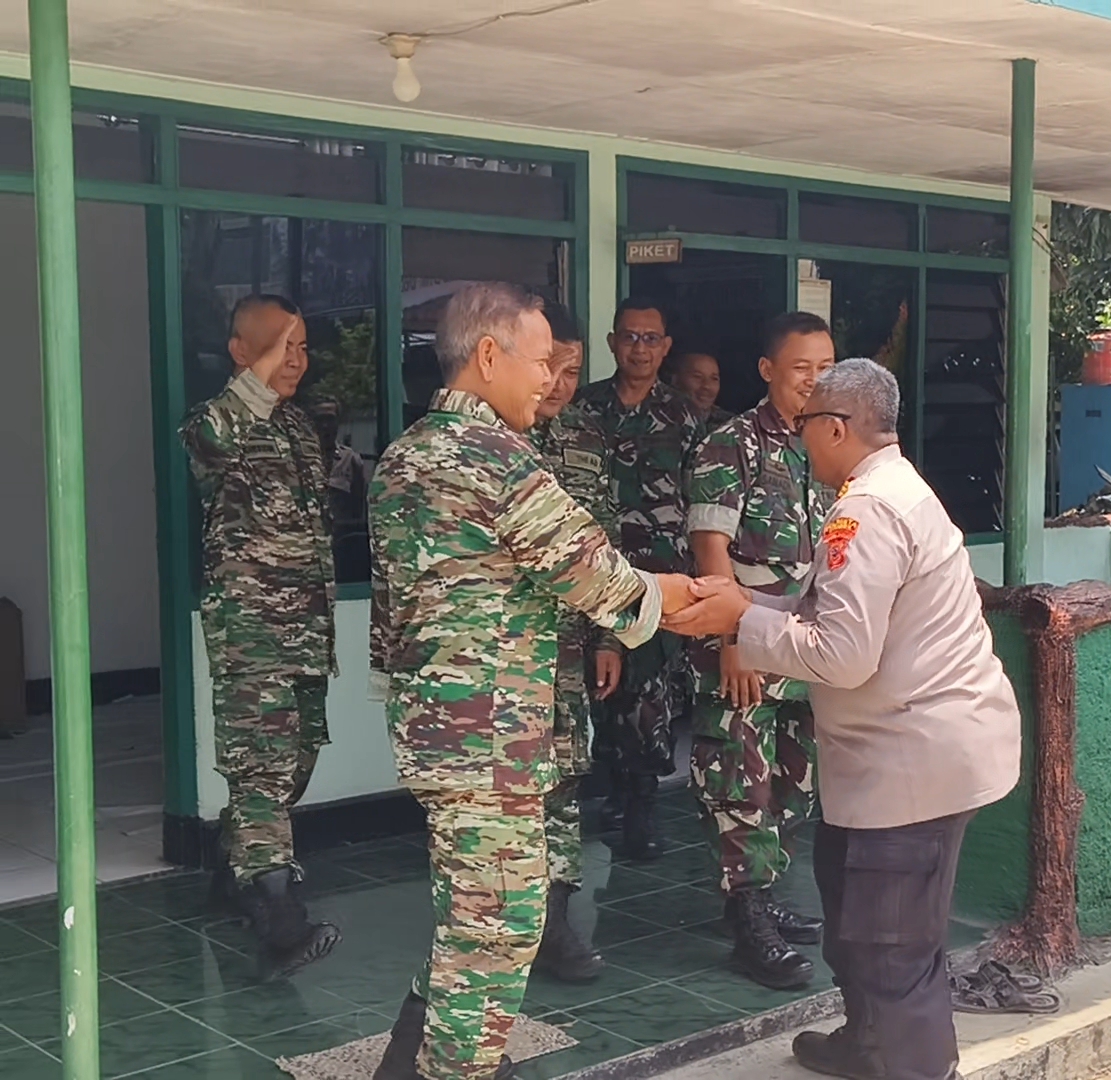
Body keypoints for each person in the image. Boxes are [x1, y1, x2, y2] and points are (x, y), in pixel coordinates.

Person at [367, 282, 734, 1080]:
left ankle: (411, 1058)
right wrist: (694, 598)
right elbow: (597, 577)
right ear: (487, 355)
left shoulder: (405, 455)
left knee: (470, 911)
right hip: (490, 734)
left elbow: (391, 615)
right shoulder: (496, 459)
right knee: (498, 926)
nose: (549, 379)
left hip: (438, 728)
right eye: (539, 362)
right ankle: (456, 1068)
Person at [677, 358, 1021, 1080]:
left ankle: (914, 1063)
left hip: (912, 761)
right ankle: (868, 1045)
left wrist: (742, 621)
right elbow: (825, 611)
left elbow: (842, 654)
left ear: (835, 428)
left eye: (806, 425)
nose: (798, 438)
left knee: (891, 949)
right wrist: (742, 605)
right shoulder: (894, 490)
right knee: (856, 916)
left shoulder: (865, 511)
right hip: (903, 754)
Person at [180, 294, 341, 980]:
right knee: (262, 771)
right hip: (251, 634)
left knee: (293, 764)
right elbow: (209, 443)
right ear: (241, 352)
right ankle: (279, 919)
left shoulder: (300, 428)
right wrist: (260, 378)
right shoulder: (215, 422)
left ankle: (233, 869)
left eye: (301, 347)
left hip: (306, 630)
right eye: (280, 347)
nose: (294, 361)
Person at [686, 312, 836, 990]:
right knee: (738, 780)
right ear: (769, 370)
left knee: (793, 782)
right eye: (802, 367)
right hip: (746, 648)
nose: (814, 380)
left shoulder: (830, 445)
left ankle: (765, 896)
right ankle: (747, 918)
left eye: (826, 368)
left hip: (805, 652)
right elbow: (709, 547)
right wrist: (732, 641)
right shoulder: (733, 444)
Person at [575, 297, 707, 859]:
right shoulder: (582, 409)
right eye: (630, 337)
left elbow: (701, 501)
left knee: (650, 696)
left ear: (665, 346)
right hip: (593, 576)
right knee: (600, 691)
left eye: (651, 338)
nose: (640, 348)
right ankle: (611, 787)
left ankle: (641, 806)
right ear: (612, 342)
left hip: (660, 582)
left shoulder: (685, 416)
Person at [523, 303, 621, 985]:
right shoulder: (493, 440)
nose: (559, 383)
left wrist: (608, 636)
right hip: (503, 654)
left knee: (563, 780)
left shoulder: (586, 433)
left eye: (573, 370)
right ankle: (510, 924)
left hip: (565, 650)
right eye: (549, 366)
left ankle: (556, 922)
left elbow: (604, 542)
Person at [672, 351, 731, 426]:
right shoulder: (661, 418)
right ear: (676, 380)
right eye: (697, 377)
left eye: (714, 379)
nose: (707, 386)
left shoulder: (729, 423)